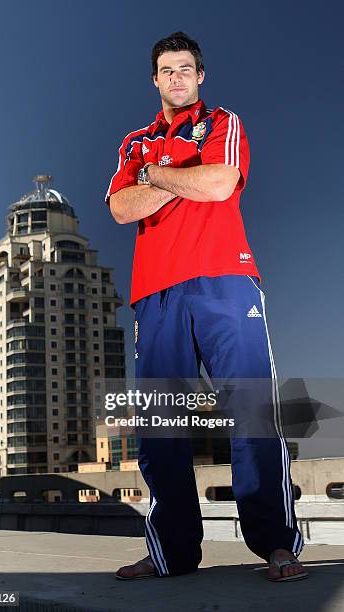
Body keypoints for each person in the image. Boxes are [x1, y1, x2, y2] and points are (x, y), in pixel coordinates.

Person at [105, 31, 308, 583]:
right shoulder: (134, 143)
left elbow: (219, 184)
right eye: (167, 70)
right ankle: (171, 552)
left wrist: (158, 177)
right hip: (156, 293)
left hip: (226, 280)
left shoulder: (223, 123)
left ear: (200, 75)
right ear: (155, 79)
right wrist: (179, 177)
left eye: (186, 69)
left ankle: (276, 545)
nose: (177, 78)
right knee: (162, 425)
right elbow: (122, 209)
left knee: (251, 412)